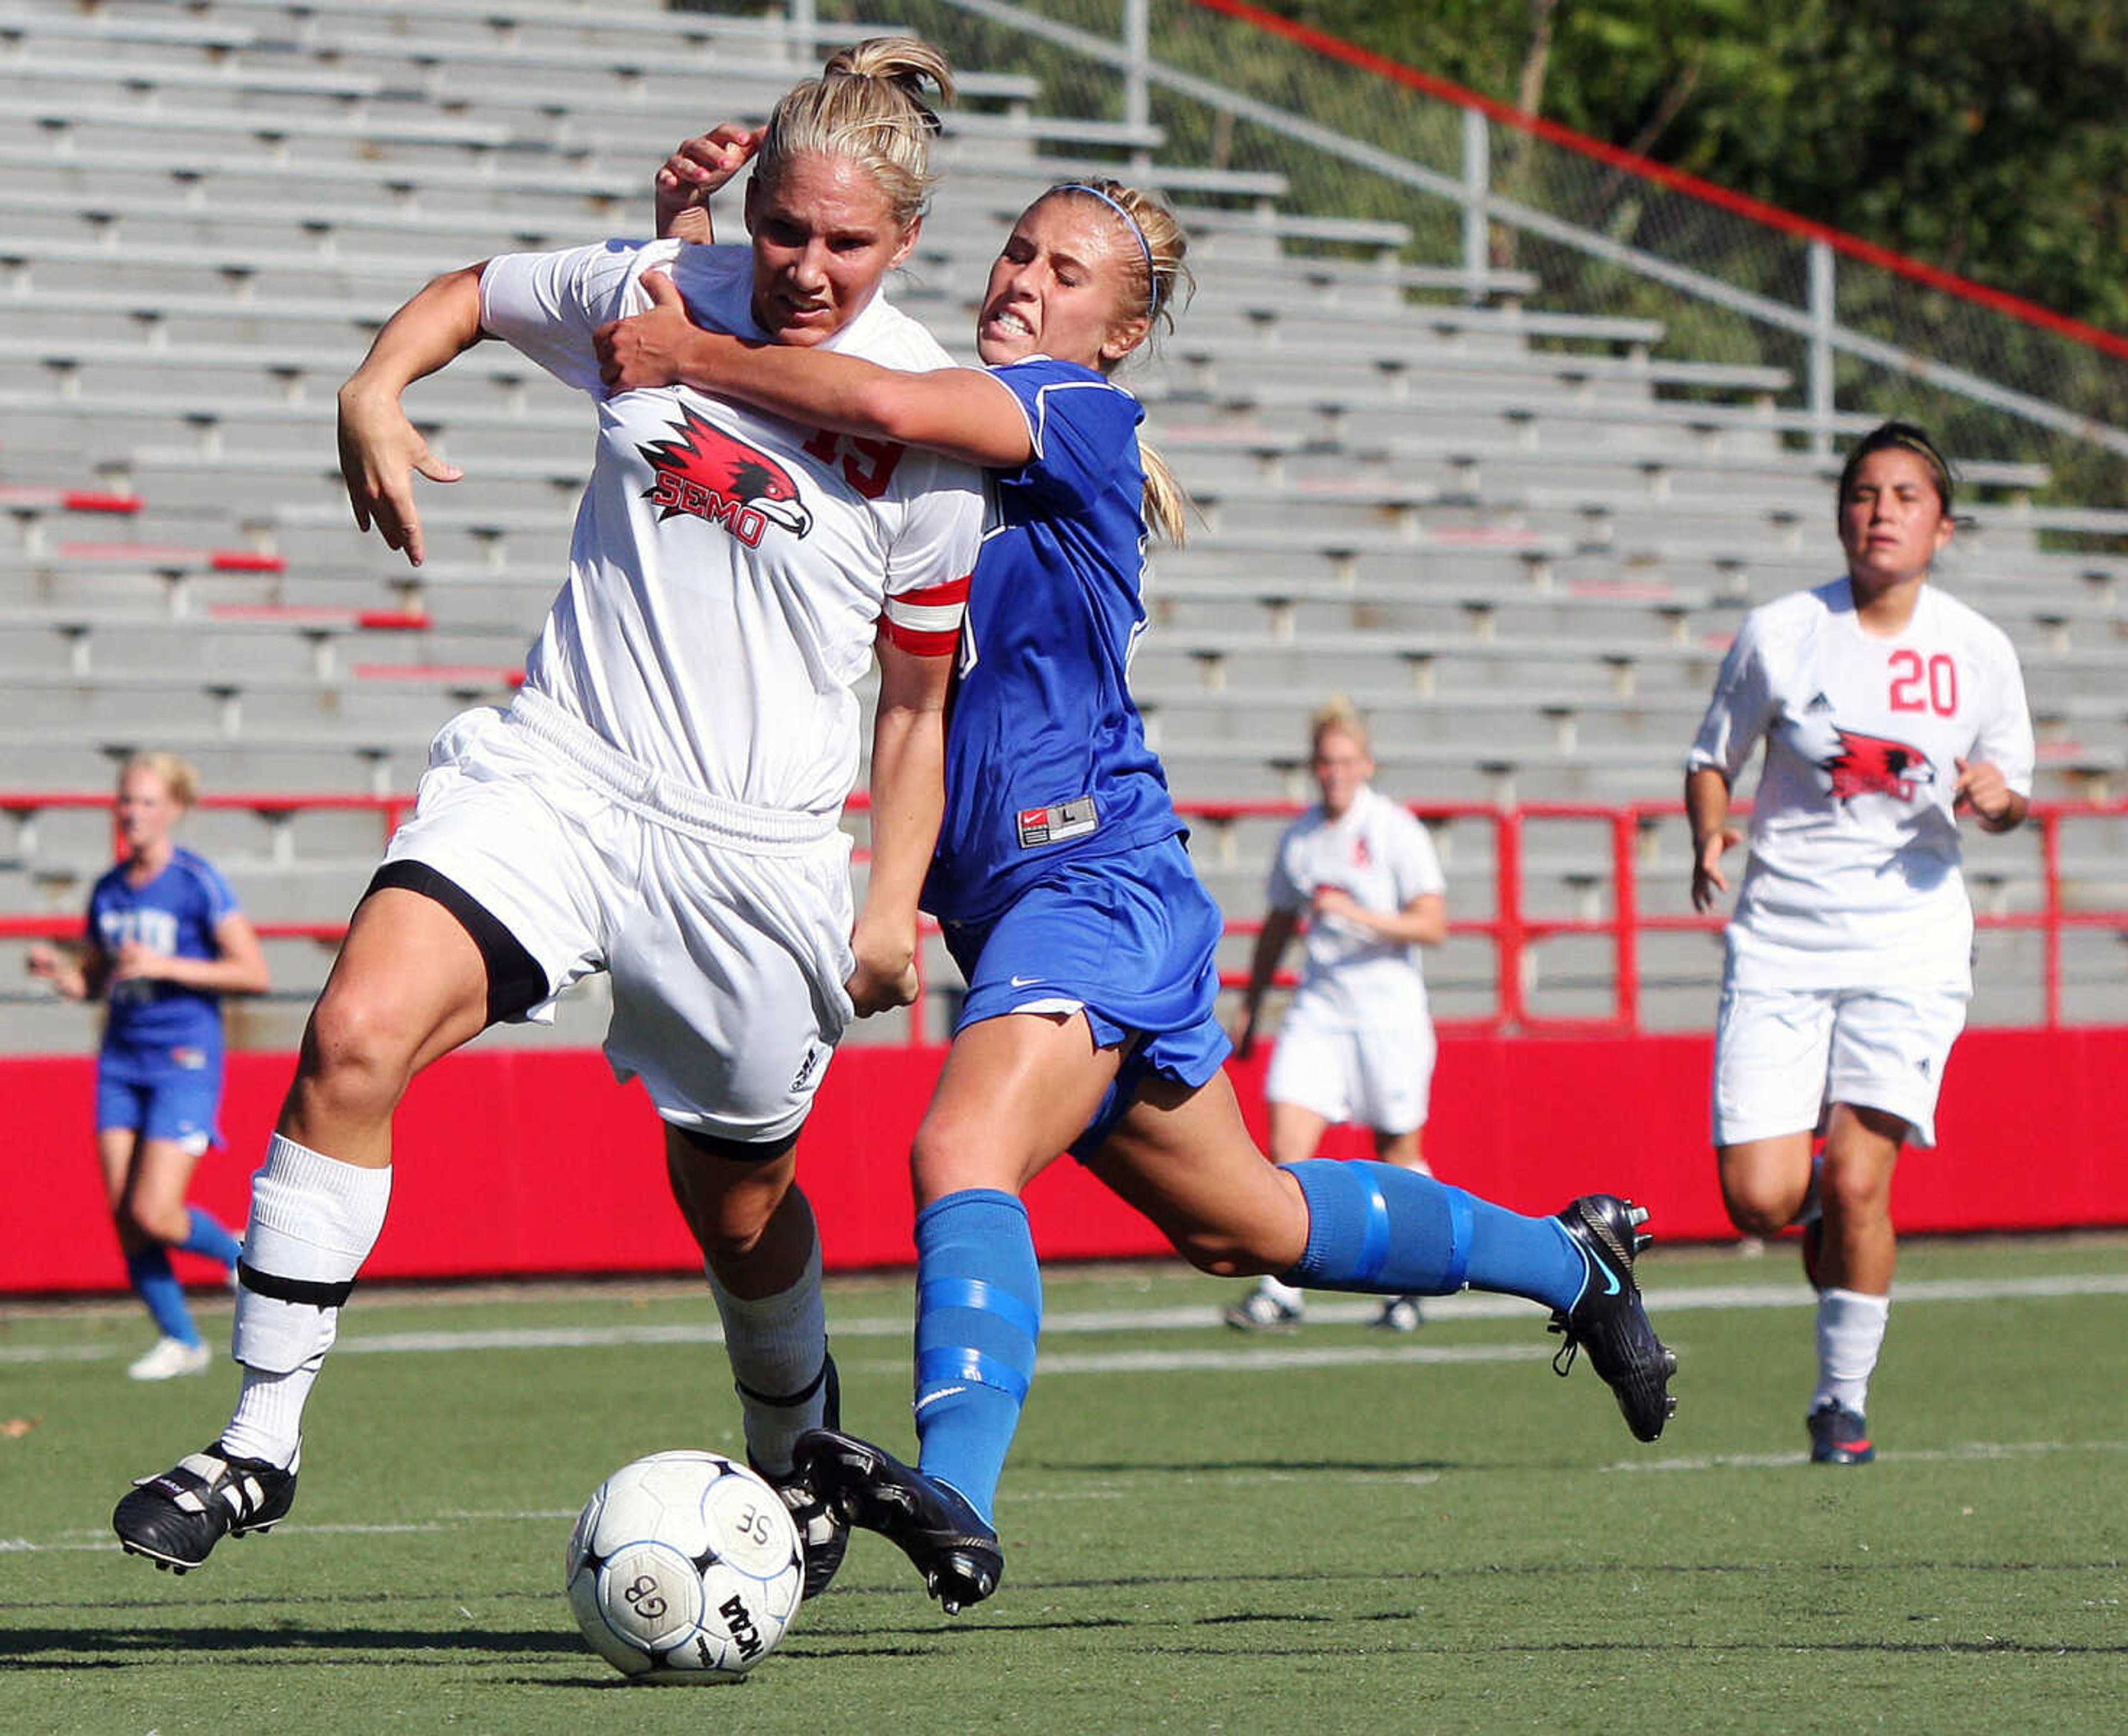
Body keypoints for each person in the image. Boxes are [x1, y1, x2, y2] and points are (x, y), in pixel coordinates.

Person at [596, 160, 1678, 1615]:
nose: (1022, 283)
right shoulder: (934, 424)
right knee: (1257, 1225)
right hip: (1032, 907)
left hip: (1092, 875)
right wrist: (687, 250)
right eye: (1018, 254)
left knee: (957, 1151)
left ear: (1119, 333)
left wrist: (685, 346)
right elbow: (770, 400)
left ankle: (959, 1500)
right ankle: (1575, 1260)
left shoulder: (1076, 415)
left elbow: (878, 402)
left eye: (1066, 275)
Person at [110, 39, 986, 1597]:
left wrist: (888, 899)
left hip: (758, 853)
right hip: (562, 772)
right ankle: (254, 1438)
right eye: (784, 228)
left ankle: (797, 1438)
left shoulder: (927, 425)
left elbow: (915, 709)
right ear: (756, 205)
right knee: (353, 1034)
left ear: (906, 242)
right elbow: (473, 289)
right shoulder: (660, 285)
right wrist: (374, 385)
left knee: (738, 1200)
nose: (804, 265)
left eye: (847, 243)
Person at [1686, 419, 2033, 1466]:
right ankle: (1832, 1233)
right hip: (1783, 938)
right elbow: (1713, 755)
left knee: (1859, 1177)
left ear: (1943, 525)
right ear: (1842, 514)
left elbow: (2012, 787)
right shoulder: (1781, 632)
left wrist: (1996, 798)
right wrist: (1711, 831)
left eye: (1905, 496)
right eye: (1864, 494)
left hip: (1910, 942)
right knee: (1758, 1197)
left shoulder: (1978, 650)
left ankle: (1842, 1401)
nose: (1881, 512)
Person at [27, 753, 269, 1380]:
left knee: (156, 1212)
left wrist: (166, 967)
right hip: (121, 1058)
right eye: (126, 801)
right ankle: (181, 1340)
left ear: (175, 810)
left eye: (147, 801)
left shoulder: (197, 881)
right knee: (124, 1215)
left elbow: (253, 971)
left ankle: (242, 1257)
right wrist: (63, 973)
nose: (133, 813)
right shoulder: (109, 888)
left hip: (183, 1056)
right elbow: (96, 980)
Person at [1224, 699, 1450, 1334]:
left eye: (1346, 761)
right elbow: (1276, 926)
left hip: (1387, 1010)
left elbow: (1432, 923)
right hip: (1320, 1006)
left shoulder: (1395, 829)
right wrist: (1251, 1001)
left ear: (1367, 764)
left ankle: (1411, 1282)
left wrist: (1358, 914)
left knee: (1398, 1151)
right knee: (1289, 1143)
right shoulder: (1300, 838)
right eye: (1325, 761)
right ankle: (1282, 1289)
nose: (1334, 773)